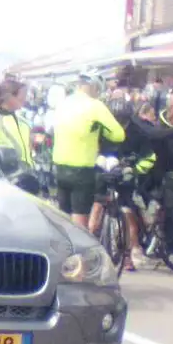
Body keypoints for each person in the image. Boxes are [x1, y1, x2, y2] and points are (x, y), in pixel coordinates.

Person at [49, 71, 125, 227]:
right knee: (79, 221)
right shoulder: (95, 105)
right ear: (94, 86)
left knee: (64, 216)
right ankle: (79, 244)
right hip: (81, 170)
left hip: (59, 167)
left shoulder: (63, 103)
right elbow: (119, 135)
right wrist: (100, 131)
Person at [131, 88, 173, 260]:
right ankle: (172, 249)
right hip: (168, 177)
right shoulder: (159, 126)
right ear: (172, 107)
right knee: (171, 214)